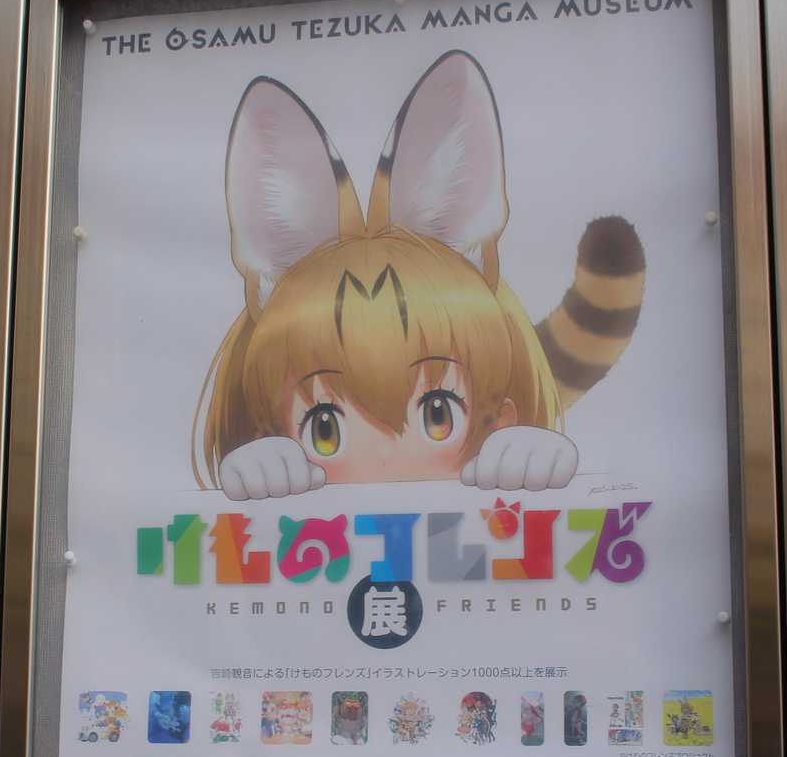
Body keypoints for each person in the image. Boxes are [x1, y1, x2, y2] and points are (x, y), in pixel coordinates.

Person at [194, 50, 645, 499]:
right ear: (272, 430)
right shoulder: (274, 457)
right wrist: (255, 469)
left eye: (437, 414)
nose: (386, 461)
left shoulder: (496, 443)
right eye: (323, 428)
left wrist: (530, 456)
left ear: (498, 422)